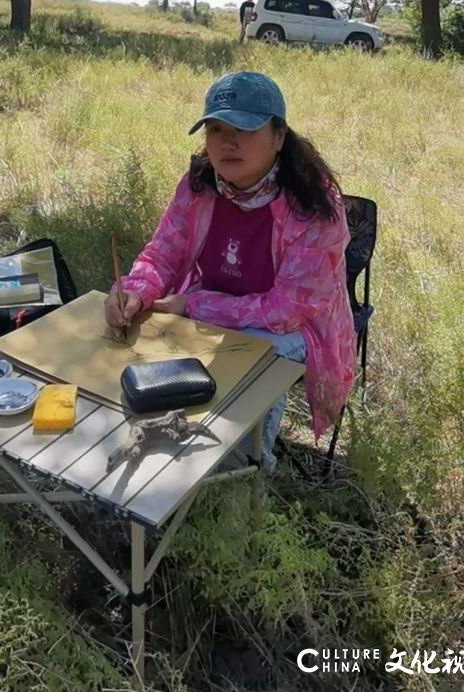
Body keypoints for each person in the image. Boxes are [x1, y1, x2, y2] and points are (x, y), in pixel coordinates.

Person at [104, 70, 356, 471]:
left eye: (244, 128)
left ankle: (246, 471)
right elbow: (161, 255)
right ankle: (169, 450)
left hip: (295, 328)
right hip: (213, 311)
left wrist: (194, 306)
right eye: (216, 128)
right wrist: (134, 291)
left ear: (278, 137)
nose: (227, 142)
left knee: (260, 359)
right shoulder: (200, 183)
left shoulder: (313, 204)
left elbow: (285, 311)